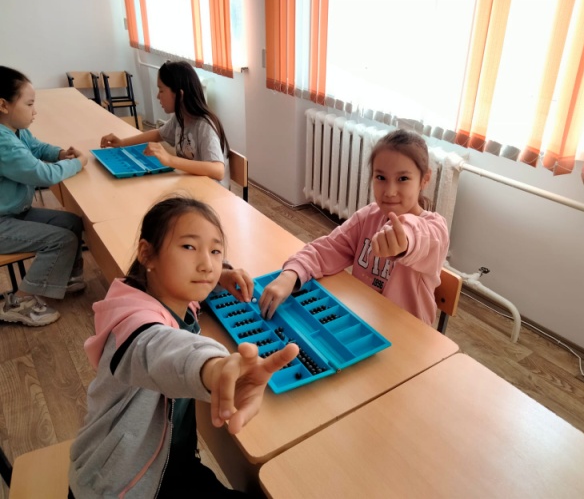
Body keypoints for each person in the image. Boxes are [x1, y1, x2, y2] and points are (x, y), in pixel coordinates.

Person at [68, 196, 299, 498]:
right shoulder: (132, 326)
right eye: (189, 247)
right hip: (123, 484)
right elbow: (161, 350)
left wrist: (221, 276)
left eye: (215, 251)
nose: (206, 265)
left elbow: (197, 281)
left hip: (170, 462)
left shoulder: (165, 291)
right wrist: (215, 367)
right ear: (147, 255)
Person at [259, 129, 449, 326]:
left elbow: (422, 236)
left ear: (425, 179)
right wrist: (290, 274)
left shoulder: (436, 229)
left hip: (407, 334)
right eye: (381, 177)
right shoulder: (368, 217)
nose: (390, 192)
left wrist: (405, 239)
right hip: (362, 321)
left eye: (403, 179)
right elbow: (325, 250)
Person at [0, 66, 88, 327]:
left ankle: (63, 277)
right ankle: (19, 302)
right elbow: (43, 175)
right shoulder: (3, 143)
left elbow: (37, 147)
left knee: (72, 222)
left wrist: (60, 154)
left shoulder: (14, 129)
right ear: (3, 105)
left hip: (13, 212)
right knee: (61, 240)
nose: (34, 111)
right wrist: (78, 162)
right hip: (3, 222)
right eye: (29, 104)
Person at [100, 60, 230, 186]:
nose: (158, 96)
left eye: (161, 90)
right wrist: (122, 143)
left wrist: (170, 159)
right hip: (191, 184)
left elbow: (218, 170)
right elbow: (158, 134)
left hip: (213, 192)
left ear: (179, 95)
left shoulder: (204, 125)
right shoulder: (180, 117)